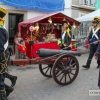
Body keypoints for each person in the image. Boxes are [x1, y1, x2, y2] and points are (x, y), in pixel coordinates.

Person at [0, 7, 14, 100]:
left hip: (1, 57)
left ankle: (3, 96)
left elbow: (0, 47)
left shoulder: (1, 29)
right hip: (2, 55)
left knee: (0, 78)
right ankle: (8, 89)